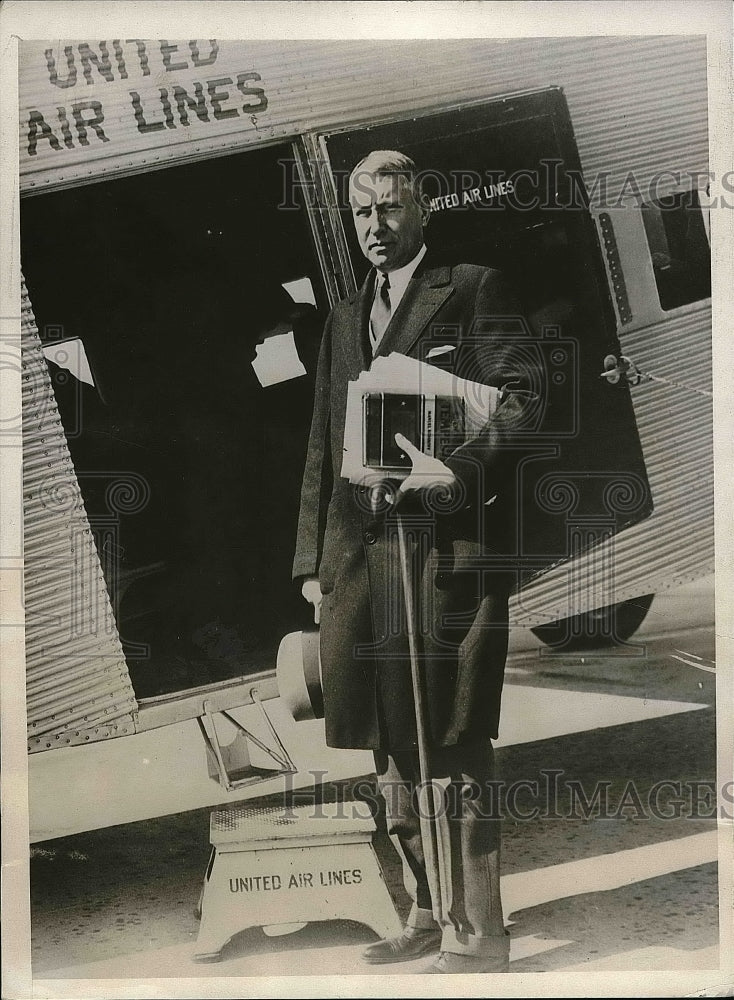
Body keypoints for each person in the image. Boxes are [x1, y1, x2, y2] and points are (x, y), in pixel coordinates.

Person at [292, 149, 540, 974]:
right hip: (365, 565)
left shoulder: (472, 288)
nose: (378, 226)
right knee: (390, 749)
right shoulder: (343, 313)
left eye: (392, 209)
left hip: (447, 555)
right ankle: (427, 913)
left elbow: (524, 402)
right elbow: (325, 447)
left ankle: (479, 934)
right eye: (364, 213)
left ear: (423, 213)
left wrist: (454, 469)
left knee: (455, 741)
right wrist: (312, 564)